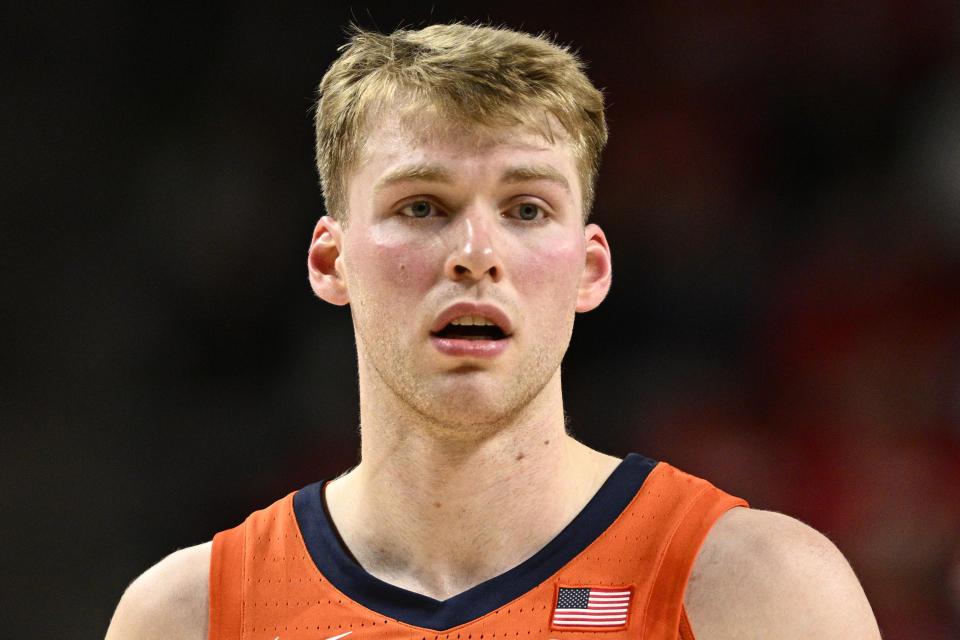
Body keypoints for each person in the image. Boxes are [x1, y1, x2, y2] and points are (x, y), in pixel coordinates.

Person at [105, 23, 881, 640]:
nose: (476, 256)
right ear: (330, 259)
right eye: (422, 208)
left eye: (526, 210)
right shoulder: (191, 617)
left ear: (590, 268)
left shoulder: (759, 591)